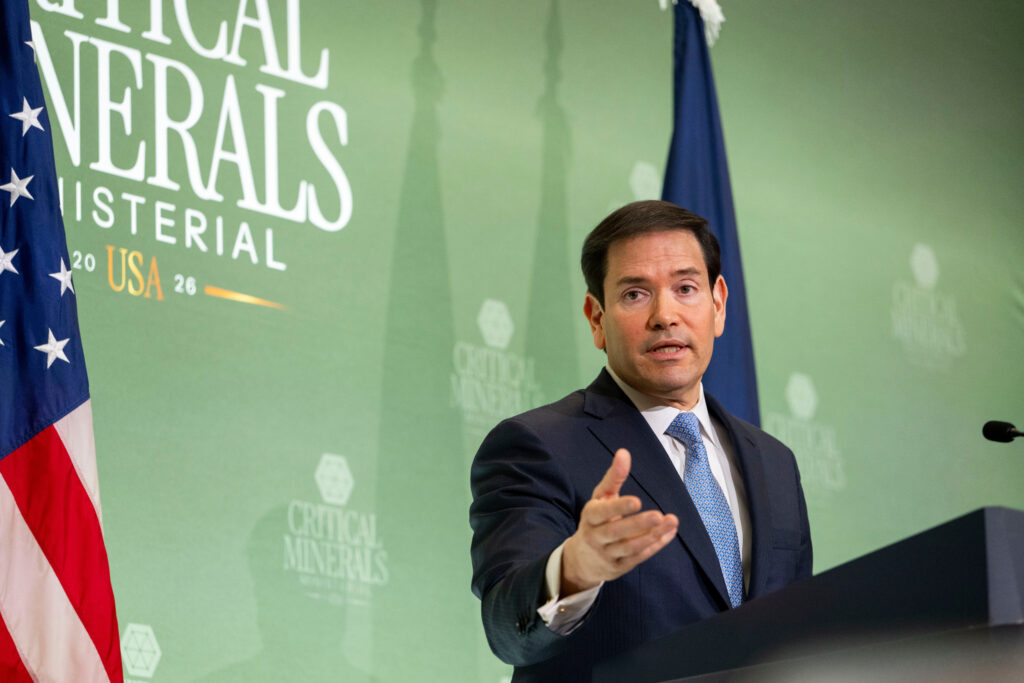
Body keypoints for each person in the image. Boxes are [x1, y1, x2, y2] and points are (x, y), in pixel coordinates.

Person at [469, 200, 812, 682]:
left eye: (686, 288)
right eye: (635, 294)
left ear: (718, 304)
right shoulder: (536, 446)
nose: (665, 315)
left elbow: (796, 639)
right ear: (596, 318)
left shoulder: (775, 462)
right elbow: (508, 628)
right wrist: (574, 569)